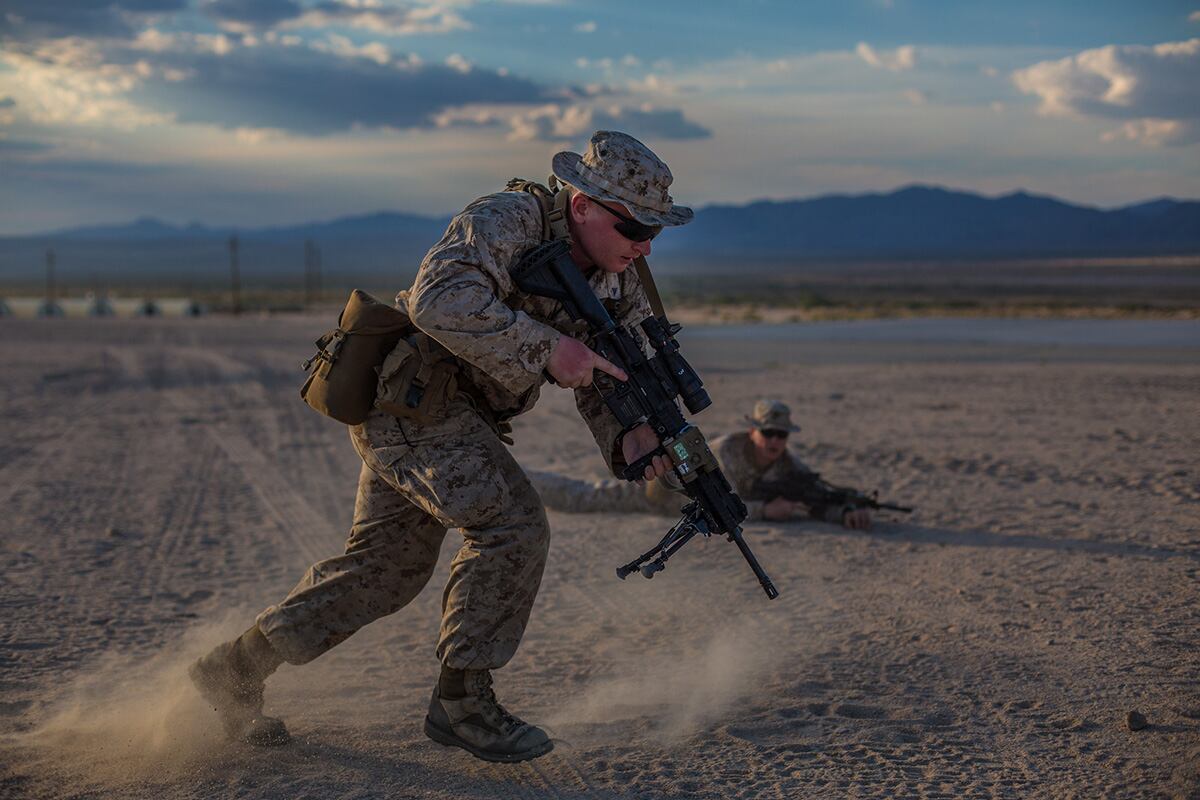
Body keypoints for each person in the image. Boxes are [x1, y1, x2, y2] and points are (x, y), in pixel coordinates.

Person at [188, 130, 691, 763]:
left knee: (383, 574)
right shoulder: (508, 219)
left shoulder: (621, 278)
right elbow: (437, 300)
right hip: (409, 401)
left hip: (458, 418)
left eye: (656, 233)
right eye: (633, 227)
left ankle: (233, 669)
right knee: (511, 523)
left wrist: (635, 439)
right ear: (584, 204)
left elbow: (608, 371)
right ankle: (462, 702)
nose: (645, 245)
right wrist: (546, 349)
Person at [530, 399, 873, 530]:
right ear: (753, 430)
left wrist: (844, 512)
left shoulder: (785, 463)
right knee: (585, 497)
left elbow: (811, 496)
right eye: (768, 433)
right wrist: (767, 510)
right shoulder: (724, 452)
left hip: (684, 502)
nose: (775, 442)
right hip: (664, 495)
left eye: (782, 435)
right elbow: (717, 507)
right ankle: (530, 481)